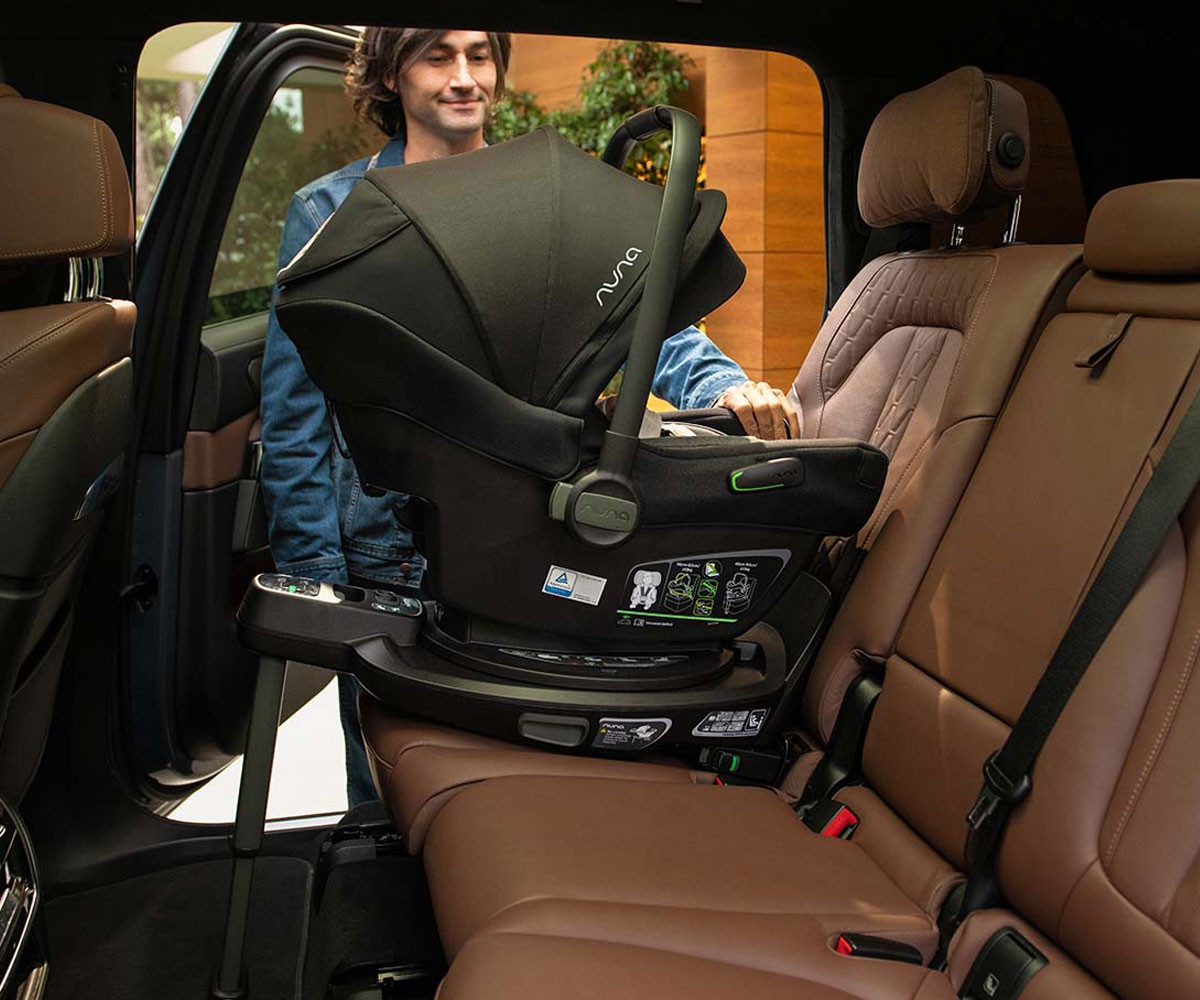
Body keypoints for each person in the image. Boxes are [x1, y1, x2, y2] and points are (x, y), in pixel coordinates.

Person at [260, 26, 801, 806]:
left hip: (523, 535)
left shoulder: (541, 195)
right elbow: (296, 417)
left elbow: (651, 322)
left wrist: (730, 391)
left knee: (521, 778)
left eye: (479, 55)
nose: (464, 76)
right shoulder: (326, 210)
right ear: (389, 73)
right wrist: (316, 581)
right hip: (384, 547)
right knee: (387, 786)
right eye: (438, 56)